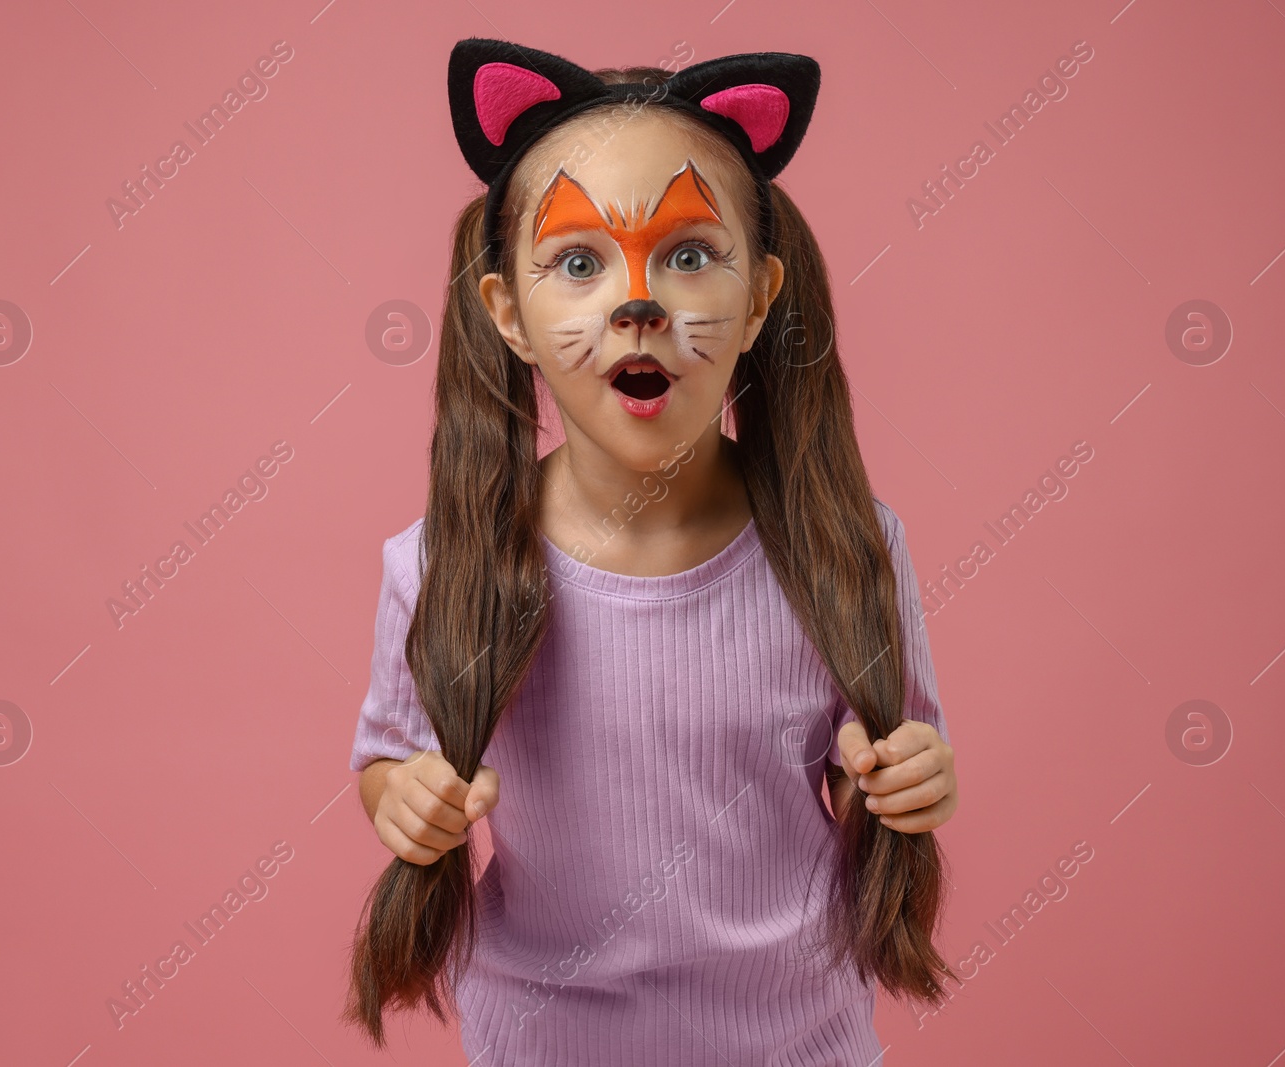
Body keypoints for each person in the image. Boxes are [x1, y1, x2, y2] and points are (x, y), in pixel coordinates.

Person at [344, 37, 961, 1064]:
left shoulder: (845, 542)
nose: (639, 303)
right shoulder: (440, 563)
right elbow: (385, 761)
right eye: (577, 261)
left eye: (687, 256)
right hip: (544, 1037)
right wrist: (406, 800)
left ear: (759, 298)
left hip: (794, 1036)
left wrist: (899, 782)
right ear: (509, 313)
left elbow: (885, 762)